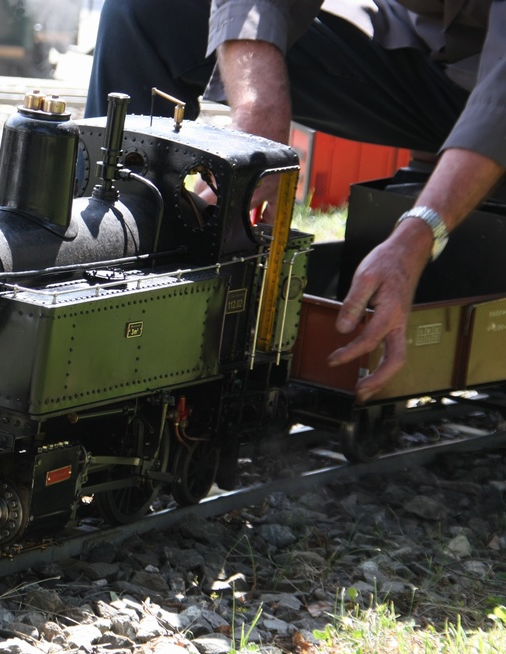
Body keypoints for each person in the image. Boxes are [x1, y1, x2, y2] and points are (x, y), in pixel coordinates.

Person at [86, 0, 505, 402]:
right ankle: (104, 248)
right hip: (426, 57)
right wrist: (260, 115)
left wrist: (418, 235)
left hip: (490, 85)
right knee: (146, 10)